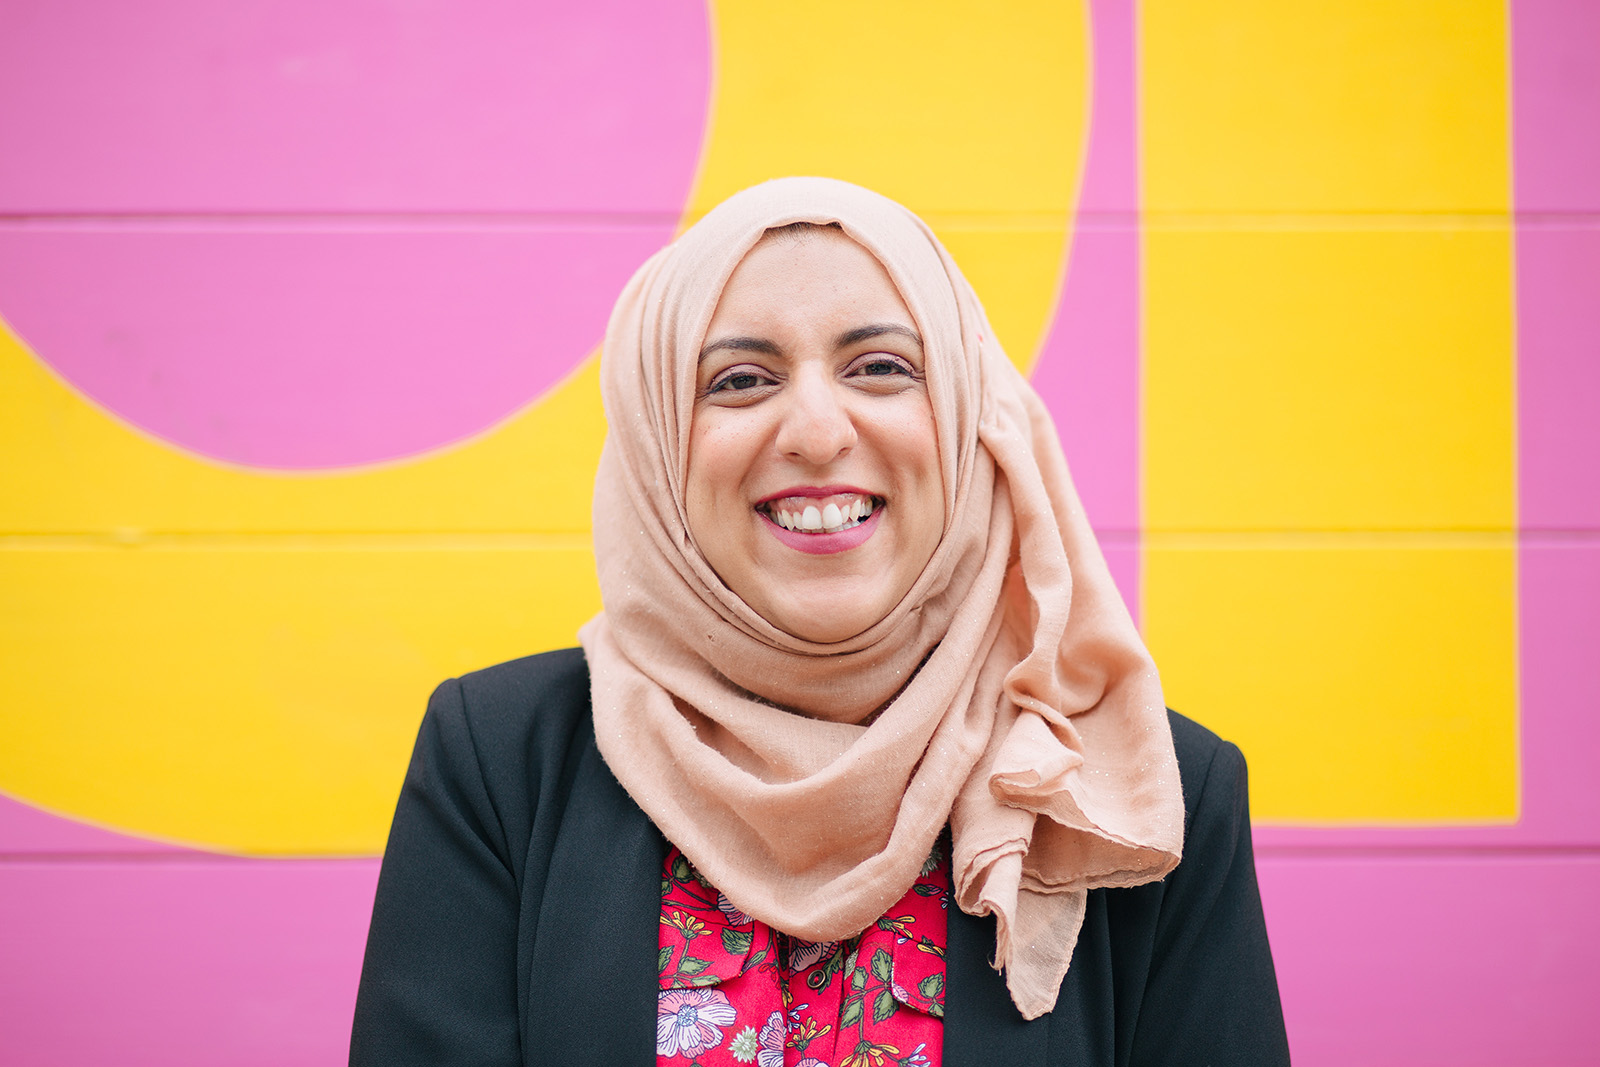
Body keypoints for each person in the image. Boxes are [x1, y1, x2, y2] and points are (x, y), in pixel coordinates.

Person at [350, 178, 1290, 1066]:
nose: (815, 431)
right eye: (739, 380)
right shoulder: (501, 764)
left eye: (881, 368)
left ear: (970, 419)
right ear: (654, 446)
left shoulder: (1141, 797)